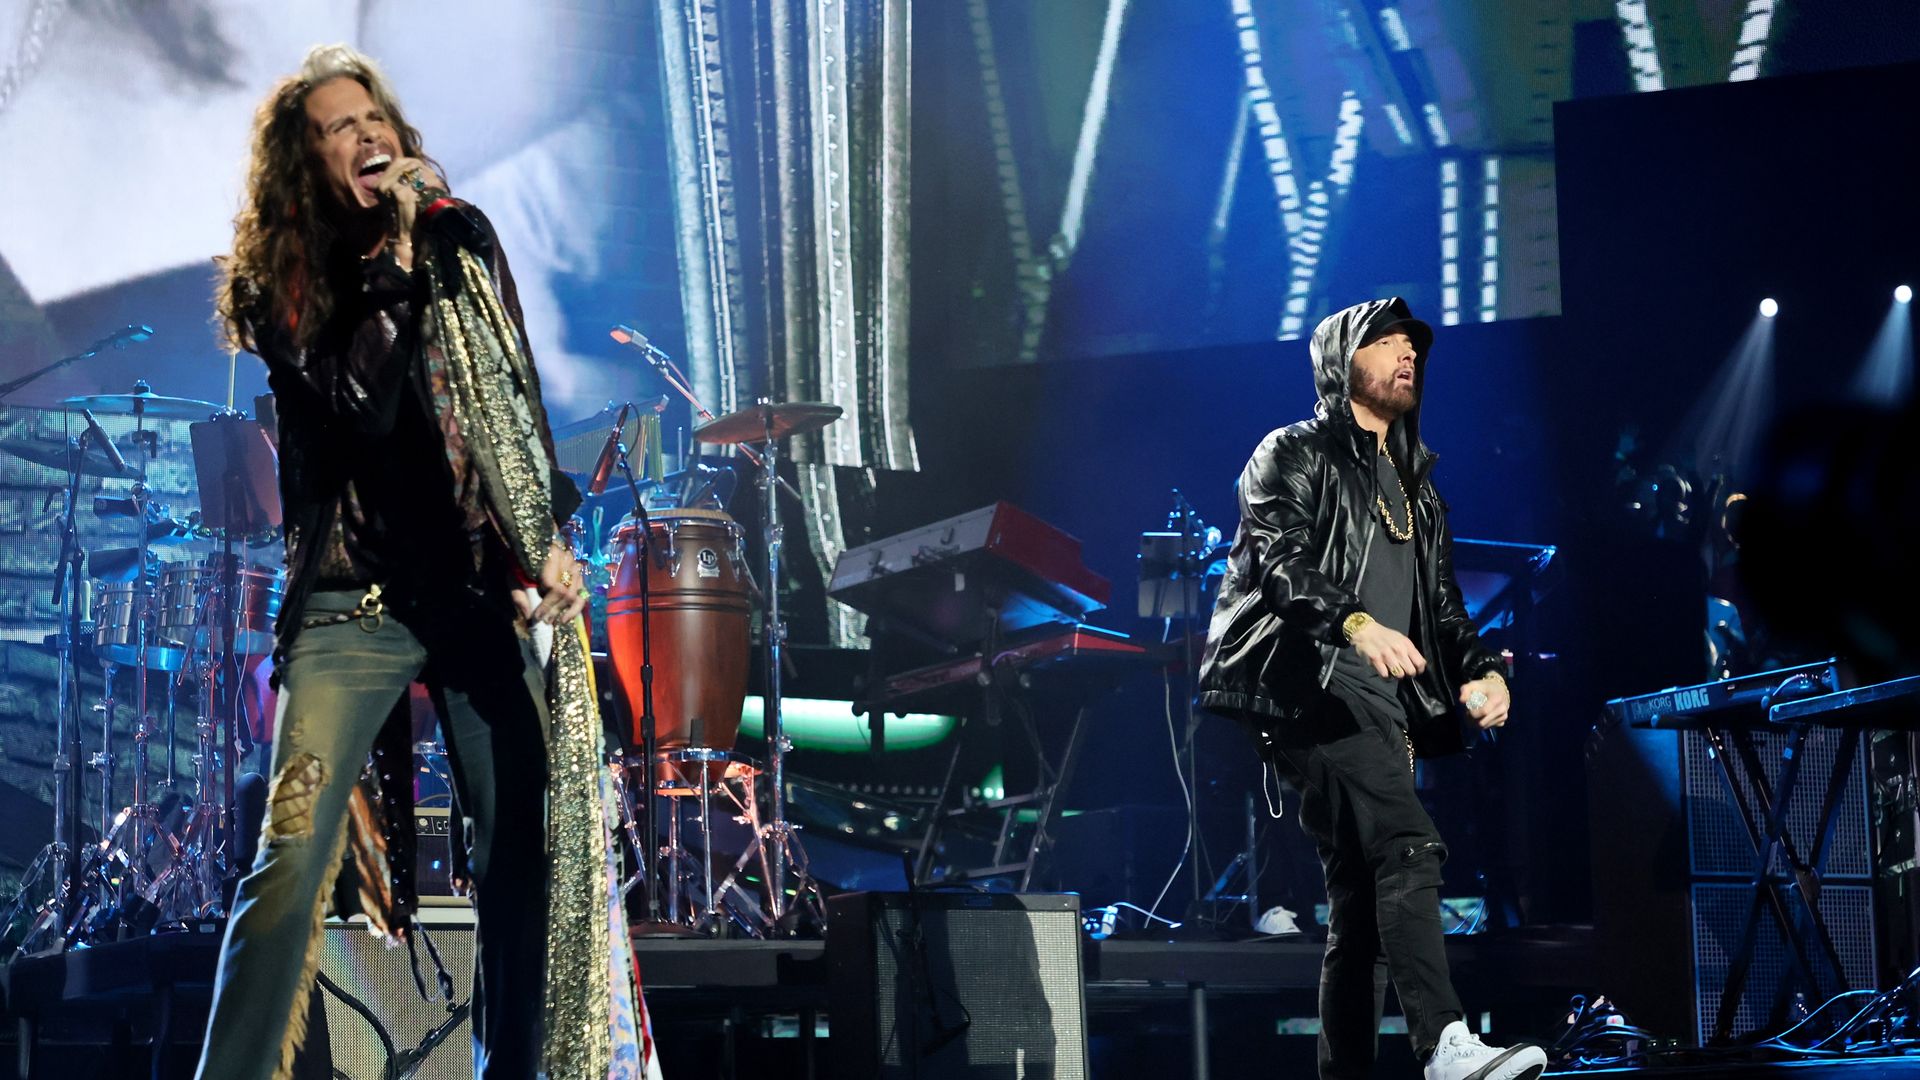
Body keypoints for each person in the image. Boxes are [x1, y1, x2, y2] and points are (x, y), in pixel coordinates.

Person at [196, 45, 652, 1079]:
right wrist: (401, 258)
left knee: (525, 845)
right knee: (292, 855)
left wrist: (543, 540)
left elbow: (508, 405)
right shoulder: (291, 285)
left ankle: (516, 1068)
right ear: (303, 167)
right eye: (335, 130)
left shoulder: (461, 247)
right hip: (349, 604)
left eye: (375, 121)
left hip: (468, 596)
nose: (365, 138)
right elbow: (363, 405)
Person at [1198, 298, 1547, 1080]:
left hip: (1380, 701)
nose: (1405, 354)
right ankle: (1445, 1043)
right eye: (1385, 342)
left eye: (1411, 345)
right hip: (1308, 683)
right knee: (1408, 842)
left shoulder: (1417, 485)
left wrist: (1481, 668)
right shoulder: (1290, 452)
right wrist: (1356, 625)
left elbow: (1445, 608)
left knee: (1359, 900)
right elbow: (1283, 565)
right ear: (1339, 363)